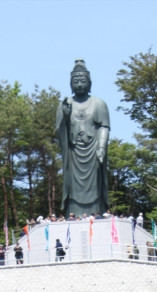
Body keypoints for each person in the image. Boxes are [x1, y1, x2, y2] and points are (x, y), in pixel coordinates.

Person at [55, 60, 110, 217]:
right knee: (73, 186)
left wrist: (101, 148)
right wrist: (65, 116)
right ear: (71, 84)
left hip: (93, 151)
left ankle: (97, 212)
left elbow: (104, 127)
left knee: (95, 185)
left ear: (90, 83)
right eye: (76, 81)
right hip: (73, 153)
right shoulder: (65, 104)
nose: (79, 84)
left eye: (83, 81)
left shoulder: (99, 104)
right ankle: (72, 213)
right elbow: (59, 130)